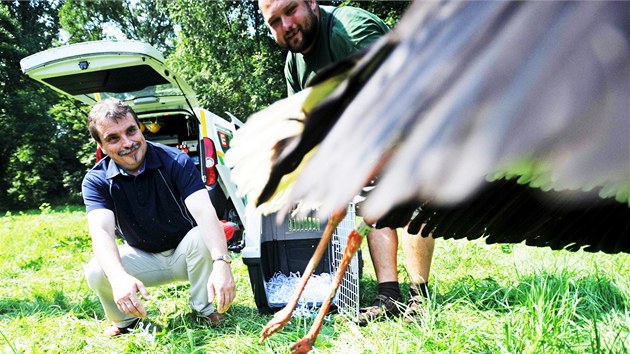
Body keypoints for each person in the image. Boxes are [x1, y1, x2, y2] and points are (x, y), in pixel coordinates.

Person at [258, 0, 435, 325]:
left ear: (311, 2)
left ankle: (419, 298)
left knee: (408, 202)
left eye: (291, 10)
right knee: (370, 206)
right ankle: (389, 296)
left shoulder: (350, 32)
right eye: (275, 22)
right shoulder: (293, 64)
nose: (286, 25)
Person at [82, 98, 236, 336]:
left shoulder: (176, 161)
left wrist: (221, 262)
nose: (127, 143)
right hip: (142, 257)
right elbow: (101, 231)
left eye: (131, 131)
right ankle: (125, 321)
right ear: (100, 144)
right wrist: (119, 277)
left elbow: (205, 213)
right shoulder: (95, 180)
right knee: (95, 269)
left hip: (187, 254)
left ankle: (204, 309)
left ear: (139, 127)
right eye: (113, 138)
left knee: (202, 235)